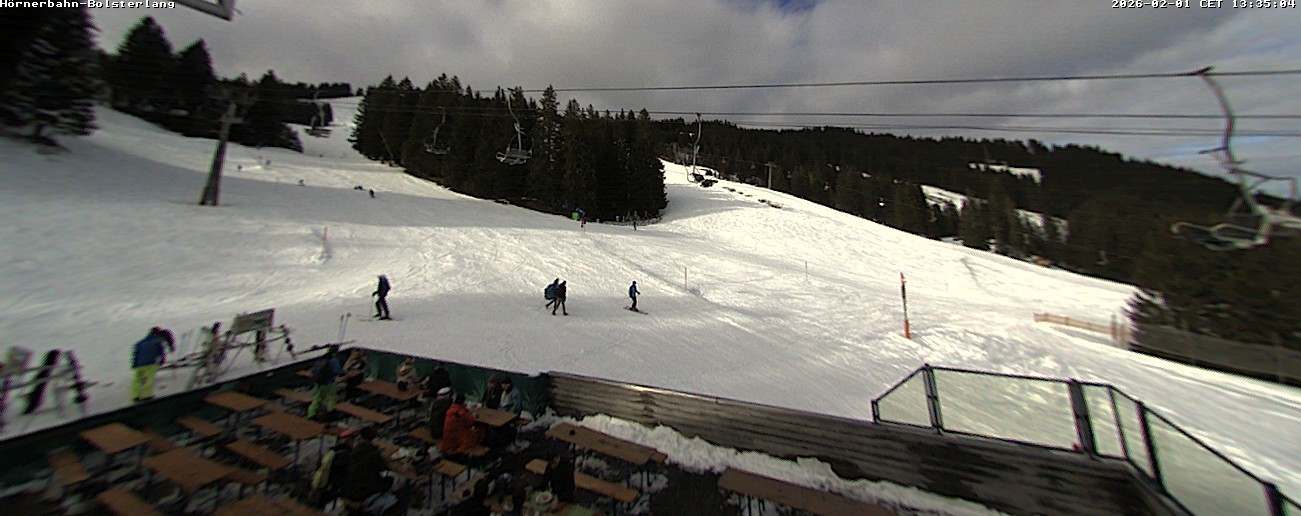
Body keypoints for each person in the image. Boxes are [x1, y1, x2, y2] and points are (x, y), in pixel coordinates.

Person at [343, 425, 392, 512]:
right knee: (389, 480)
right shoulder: (373, 454)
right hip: (363, 487)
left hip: (349, 483)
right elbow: (384, 467)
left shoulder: (356, 448)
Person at [130, 327, 172, 402]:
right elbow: (161, 353)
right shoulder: (157, 342)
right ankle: (147, 395)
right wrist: (161, 361)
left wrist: (134, 364)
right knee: (149, 379)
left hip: (138, 364)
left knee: (137, 380)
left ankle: (135, 396)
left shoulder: (140, 342)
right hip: (150, 364)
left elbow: (135, 354)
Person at [440, 393, 484, 458]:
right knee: (479, 431)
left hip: (447, 437)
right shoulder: (461, 411)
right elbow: (470, 422)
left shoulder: (450, 410)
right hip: (459, 438)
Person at [307, 346, 342, 420]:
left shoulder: (322, 359)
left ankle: (311, 414)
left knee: (317, 399)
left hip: (319, 383)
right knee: (331, 398)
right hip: (329, 382)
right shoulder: (334, 360)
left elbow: (313, 370)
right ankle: (330, 412)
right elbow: (337, 371)